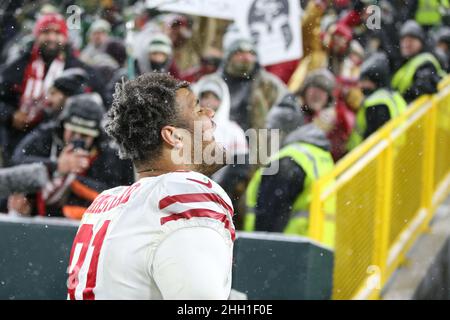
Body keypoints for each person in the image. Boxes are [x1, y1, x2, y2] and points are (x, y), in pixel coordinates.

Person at [66, 73, 235, 300]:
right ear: (173, 136)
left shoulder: (106, 203)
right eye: (197, 110)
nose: (210, 113)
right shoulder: (183, 191)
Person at [10, 94, 134, 219]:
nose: (77, 138)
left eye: (85, 135)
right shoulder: (48, 136)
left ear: (96, 136)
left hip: (89, 222)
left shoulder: (111, 156)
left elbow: (121, 195)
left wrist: (74, 178)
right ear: (63, 125)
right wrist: (56, 166)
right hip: (39, 219)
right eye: (72, 131)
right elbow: (16, 162)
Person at [0, 13, 100, 165]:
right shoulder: (17, 65)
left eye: (57, 32)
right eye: (46, 32)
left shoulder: (79, 69)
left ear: (65, 37)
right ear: (37, 35)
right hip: (17, 137)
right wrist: (11, 115)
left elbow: (98, 101)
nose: (52, 38)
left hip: (61, 140)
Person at [244, 119, 336, 248]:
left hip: (288, 250)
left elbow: (270, 215)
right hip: (321, 250)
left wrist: (262, 250)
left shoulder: (289, 160)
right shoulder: (324, 160)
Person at [348, 54, 407, 150]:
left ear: (375, 81)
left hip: (374, 158)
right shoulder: (395, 97)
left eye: (365, 81)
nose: (360, 85)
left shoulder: (375, 102)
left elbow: (372, 136)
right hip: (394, 154)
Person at [391, 20, 446, 103]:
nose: (406, 44)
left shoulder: (426, 61)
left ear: (420, 42)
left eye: (411, 40)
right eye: (404, 40)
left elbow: (424, 87)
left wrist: (406, 96)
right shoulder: (403, 64)